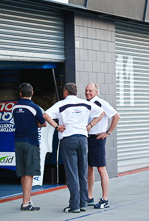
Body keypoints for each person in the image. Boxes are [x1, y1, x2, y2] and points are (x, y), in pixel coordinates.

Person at [43, 83, 105, 213]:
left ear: (65, 91)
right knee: (82, 172)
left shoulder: (60, 104)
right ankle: (83, 203)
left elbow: (45, 115)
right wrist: (90, 125)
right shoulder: (85, 104)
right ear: (76, 92)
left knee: (72, 173)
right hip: (83, 139)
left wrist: (56, 126)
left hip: (68, 139)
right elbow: (101, 112)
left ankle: (74, 205)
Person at [85, 82, 120, 209]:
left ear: (96, 92)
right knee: (89, 168)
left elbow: (116, 116)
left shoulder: (101, 103)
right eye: (86, 90)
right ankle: (89, 197)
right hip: (86, 138)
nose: (88, 92)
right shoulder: (85, 104)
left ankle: (105, 199)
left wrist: (108, 132)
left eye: (91, 90)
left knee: (101, 169)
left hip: (98, 139)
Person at [12, 83, 46, 211]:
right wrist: (36, 123)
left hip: (18, 142)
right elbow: (43, 124)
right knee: (29, 173)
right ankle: (25, 203)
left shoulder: (15, 108)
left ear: (20, 94)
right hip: (31, 142)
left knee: (23, 172)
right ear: (32, 93)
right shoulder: (35, 108)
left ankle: (28, 199)